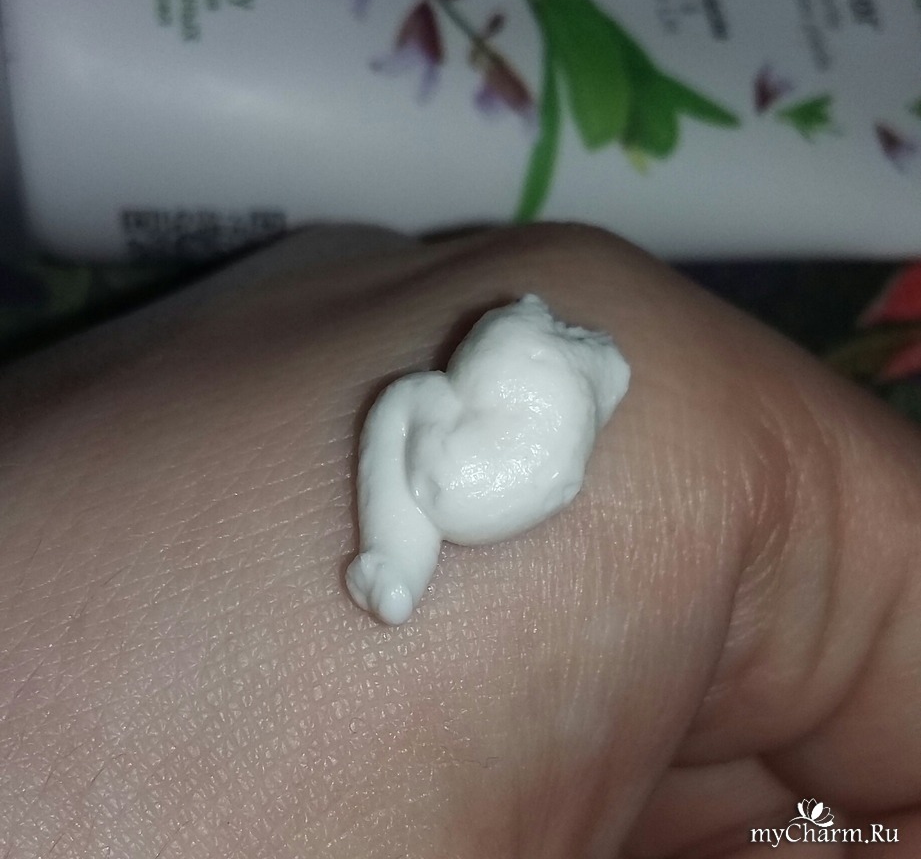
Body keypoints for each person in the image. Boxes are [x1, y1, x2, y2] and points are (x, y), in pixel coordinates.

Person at [0, 223, 917, 857]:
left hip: (472, 462)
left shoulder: (528, 382)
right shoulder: (534, 383)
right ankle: (396, 563)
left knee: (414, 433)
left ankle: (396, 563)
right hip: (470, 463)